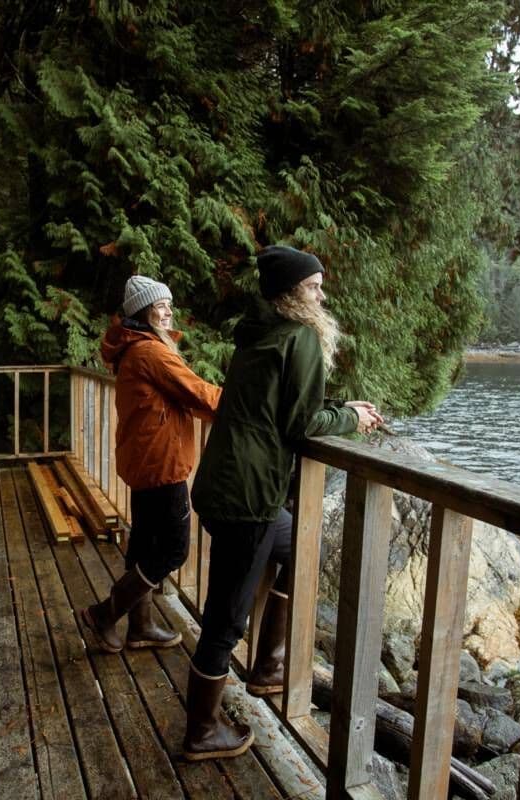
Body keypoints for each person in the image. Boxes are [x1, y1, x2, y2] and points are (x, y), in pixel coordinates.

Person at [183, 245, 383, 761]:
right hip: (248, 497)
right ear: (295, 293)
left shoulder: (257, 336)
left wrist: (339, 409)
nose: (322, 294)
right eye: (315, 286)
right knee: (225, 619)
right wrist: (352, 421)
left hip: (227, 485)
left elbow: (285, 409)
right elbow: (300, 425)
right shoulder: (300, 338)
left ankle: (269, 665)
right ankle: (201, 731)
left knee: (300, 548)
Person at [79, 275, 223, 654]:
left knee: (144, 542)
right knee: (174, 549)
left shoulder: (136, 348)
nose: (168, 311)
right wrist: (246, 404)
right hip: (161, 463)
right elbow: (200, 393)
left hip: (145, 458)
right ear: (142, 312)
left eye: (169, 304)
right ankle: (105, 613)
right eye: (161, 305)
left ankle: (140, 627)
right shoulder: (150, 352)